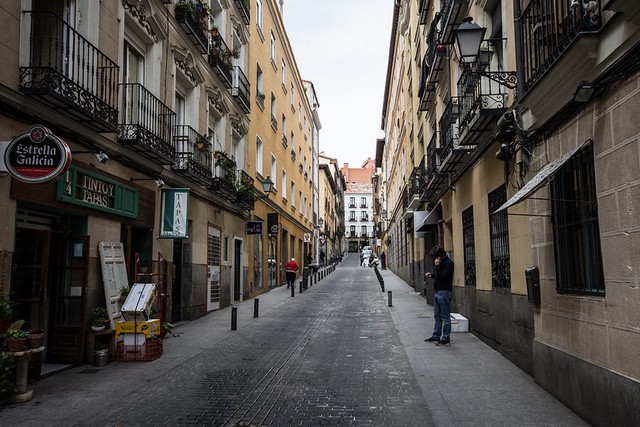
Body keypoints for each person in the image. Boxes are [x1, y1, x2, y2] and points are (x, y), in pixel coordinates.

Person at [424, 246, 454, 345]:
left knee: (445, 316)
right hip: (438, 292)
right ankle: (436, 335)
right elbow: (439, 276)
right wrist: (432, 275)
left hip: (444, 292)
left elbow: (444, 277)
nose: (435, 259)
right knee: (437, 315)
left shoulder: (448, 263)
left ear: (440, 255)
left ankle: (445, 337)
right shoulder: (441, 263)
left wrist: (437, 266)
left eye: (436, 257)